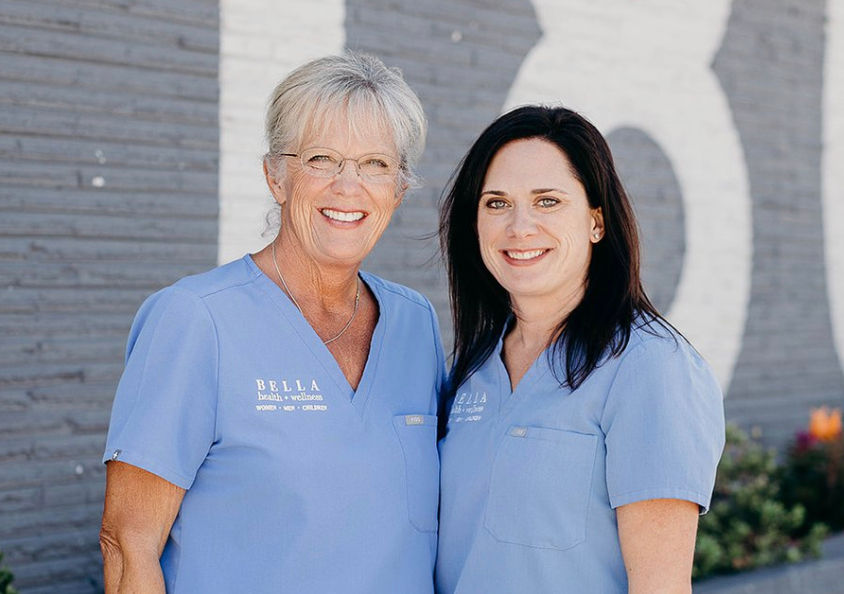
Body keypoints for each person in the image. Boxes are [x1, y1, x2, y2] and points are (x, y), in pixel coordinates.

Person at [99, 53, 444, 594]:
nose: (347, 186)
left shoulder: (415, 324)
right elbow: (128, 545)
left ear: (398, 190)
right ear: (276, 177)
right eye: (322, 158)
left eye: (374, 164)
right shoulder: (197, 320)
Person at [436, 105, 725, 593]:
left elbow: (661, 586)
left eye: (547, 201)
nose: (519, 226)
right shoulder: (473, 369)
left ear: (596, 221)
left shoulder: (650, 367)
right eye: (496, 203)